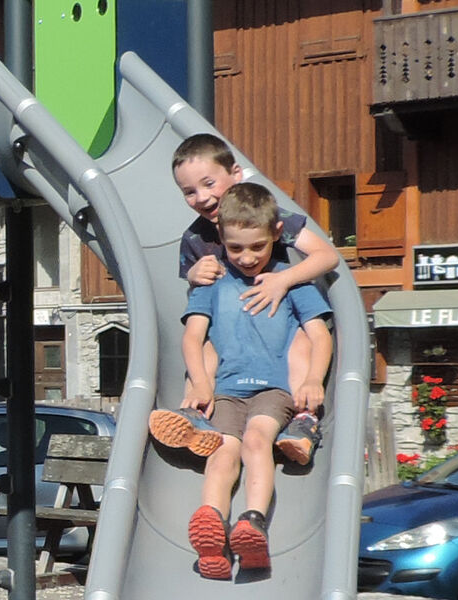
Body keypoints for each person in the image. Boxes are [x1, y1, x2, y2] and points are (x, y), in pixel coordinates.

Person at [160, 182, 334, 579]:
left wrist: (312, 379)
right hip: (225, 391)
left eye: (257, 246)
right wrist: (201, 384)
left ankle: (251, 522)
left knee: (257, 441)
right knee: (222, 452)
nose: (248, 257)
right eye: (236, 248)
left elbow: (319, 335)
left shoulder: (291, 282)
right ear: (220, 238)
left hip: (273, 390)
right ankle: (212, 529)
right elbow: (193, 337)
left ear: (275, 233)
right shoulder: (211, 284)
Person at [149, 133, 338, 462]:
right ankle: (195, 412)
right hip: (232, 333)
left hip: (275, 322)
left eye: (209, 183)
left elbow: (326, 256)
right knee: (203, 343)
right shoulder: (195, 237)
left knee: (302, 342)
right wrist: (193, 275)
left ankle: (302, 418)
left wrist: (283, 281)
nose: (202, 197)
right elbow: (199, 301)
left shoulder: (266, 214)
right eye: (189, 192)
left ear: (235, 174)